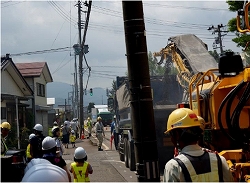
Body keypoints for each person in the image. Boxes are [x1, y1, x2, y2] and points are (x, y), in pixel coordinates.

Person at [163, 108, 234, 182]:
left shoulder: (173, 166)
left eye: (171, 134)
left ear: (177, 135)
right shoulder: (220, 160)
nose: (171, 138)